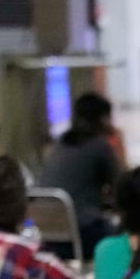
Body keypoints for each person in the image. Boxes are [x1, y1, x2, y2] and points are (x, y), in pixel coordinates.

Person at [40, 92, 124, 256]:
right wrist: (120, 145)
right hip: (84, 232)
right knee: (129, 237)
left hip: (50, 235)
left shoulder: (61, 143)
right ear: (103, 119)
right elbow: (123, 188)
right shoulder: (100, 147)